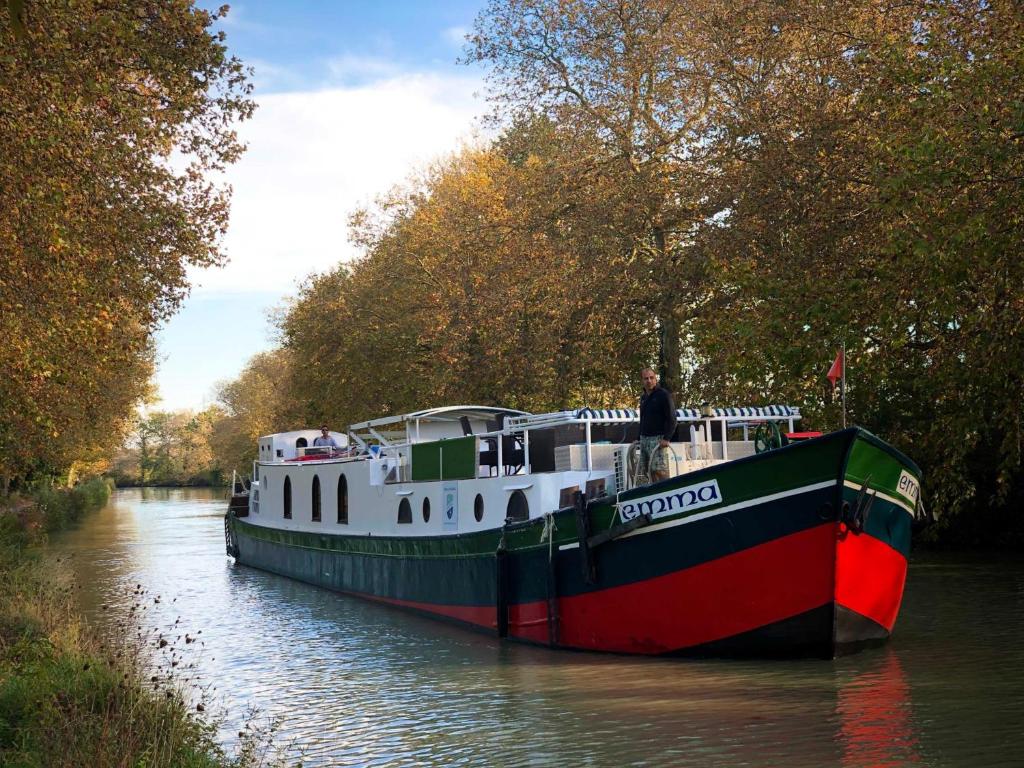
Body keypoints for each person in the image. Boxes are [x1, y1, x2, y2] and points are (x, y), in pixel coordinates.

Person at [638, 367, 677, 483]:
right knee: (646, 471)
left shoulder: (663, 395)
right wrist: (637, 438)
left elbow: (672, 418)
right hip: (644, 438)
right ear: (642, 381)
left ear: (656, 379)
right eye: (646, 378)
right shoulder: (643, 398)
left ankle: (666, 492)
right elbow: (642, 419)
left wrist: (667, 438)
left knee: (659, 470)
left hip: (658, 439)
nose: (649, 381)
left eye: (651, 378)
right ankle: (654, 495)